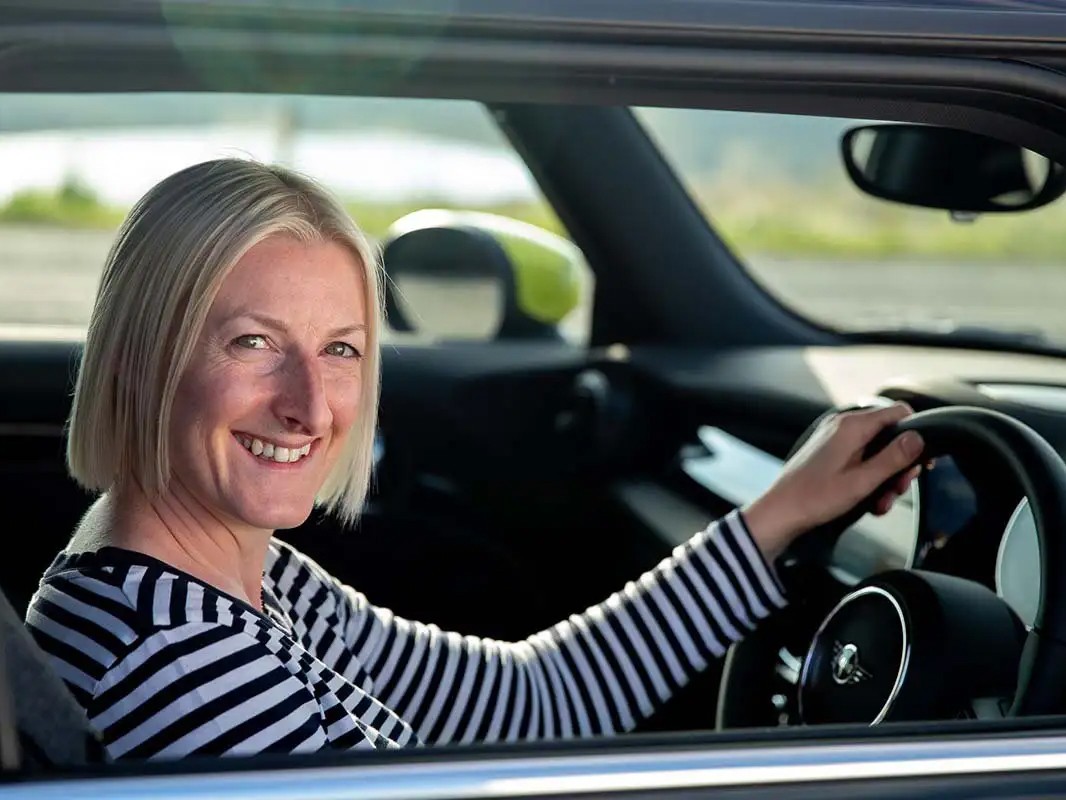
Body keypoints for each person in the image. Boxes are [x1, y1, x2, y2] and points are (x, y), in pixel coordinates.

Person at [24, 158, 924, 761]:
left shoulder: (242, 576)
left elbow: (533, 700)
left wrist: (778, 518)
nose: (311, 405)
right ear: (140, 356)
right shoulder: (177, 661)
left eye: (340, 350)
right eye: (253, 343)